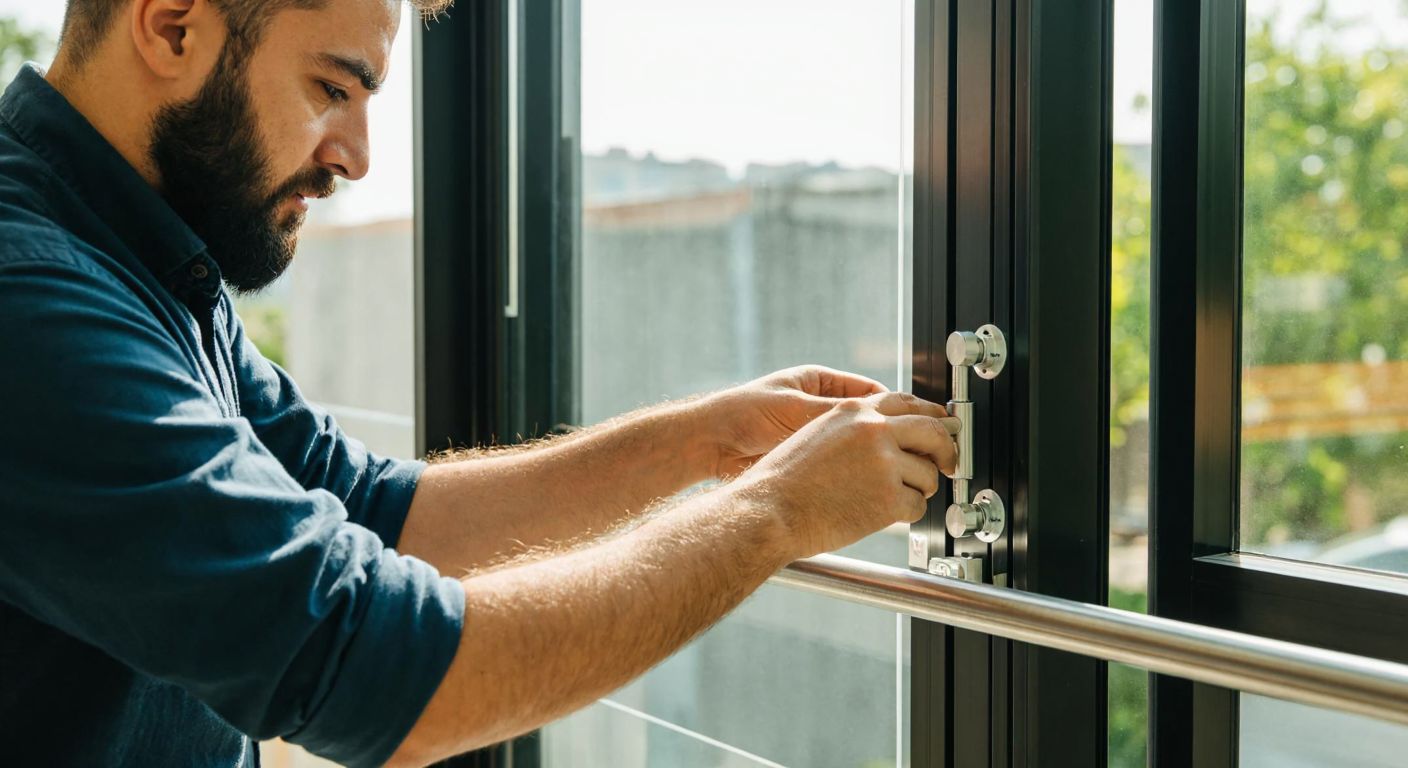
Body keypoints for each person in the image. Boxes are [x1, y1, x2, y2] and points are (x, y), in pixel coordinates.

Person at [0, 0, 959, 765]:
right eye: (333, 86)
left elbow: (367, 504)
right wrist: (775, 513)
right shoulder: (32, 296)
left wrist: (704, 440)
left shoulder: (140, 251)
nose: (358, 158)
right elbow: (378, 671)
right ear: (172, 25)